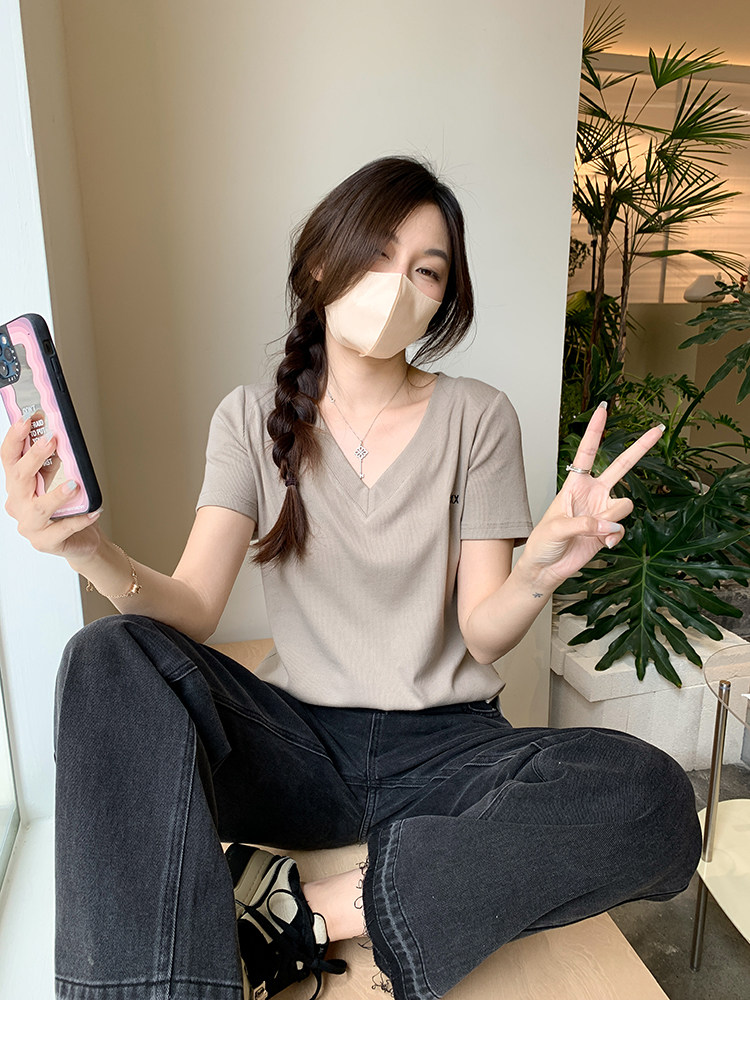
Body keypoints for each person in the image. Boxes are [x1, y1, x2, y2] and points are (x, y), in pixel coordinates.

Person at [1, 156, 701, 1002]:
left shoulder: (478, 415)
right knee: (107, 654)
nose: (397, 285)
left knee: (653, 798)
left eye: (426, 271)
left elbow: (482, 632)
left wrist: (535, 570)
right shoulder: (248, 420)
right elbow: (192, 608)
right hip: (296, 747)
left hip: (448, 751)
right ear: (320, 265)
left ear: (444, 300)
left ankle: (300, 913)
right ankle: (146, 1021)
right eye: (376, 254)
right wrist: (86, 548)